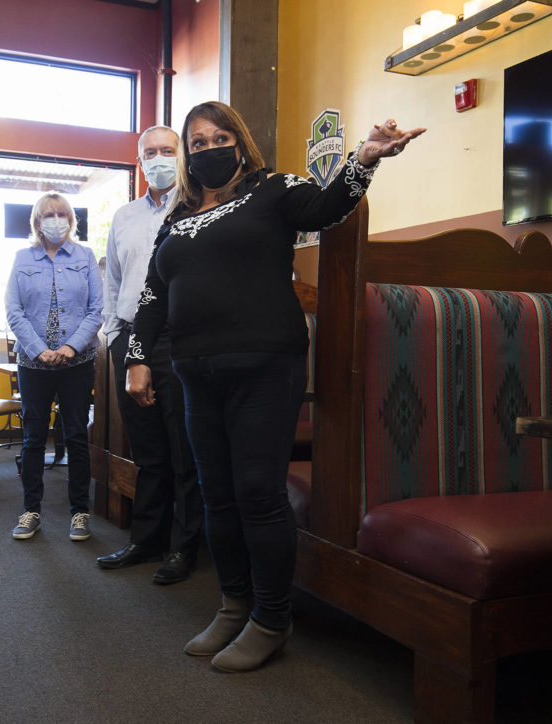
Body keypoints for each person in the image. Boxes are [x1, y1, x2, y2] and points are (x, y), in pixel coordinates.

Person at [126, 101, 424, 672]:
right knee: (216, 492)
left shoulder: (273, 188)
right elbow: (151, 296)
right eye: (197, 142)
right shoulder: (178, 215)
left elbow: (329, 205)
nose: (207, 148)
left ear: (240, 140)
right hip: (194, 371)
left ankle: (271, 618)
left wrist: (365, 157)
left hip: (266, 364)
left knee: (259, 493)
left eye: (219, 137)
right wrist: (138, 357)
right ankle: (233, 605)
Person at [96, 125, 202, 585]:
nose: (159, 159)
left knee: (183, 448)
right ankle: (147, 539)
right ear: (139, 162)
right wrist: (113, 335)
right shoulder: (124, 216)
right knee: (147, 447)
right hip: (129, 338)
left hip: (178, 337)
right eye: (149, 153)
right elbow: (113, 280)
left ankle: (184, 548)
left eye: (167, 150)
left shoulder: (199, 205)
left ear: (180, 155)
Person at [4, 192, 103, 541]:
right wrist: (39, 349)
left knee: (76, 436)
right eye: (49, 214)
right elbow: (13, 311)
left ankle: (80, 512)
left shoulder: (85, 257)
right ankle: (31, 510)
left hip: (78, 362)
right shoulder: (22, 258)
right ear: (36, 222)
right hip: (33, 364)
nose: (56, 219)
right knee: (33, 438)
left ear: (71, 220)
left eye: (62, 214)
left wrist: (70, 346)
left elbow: (97, 309)